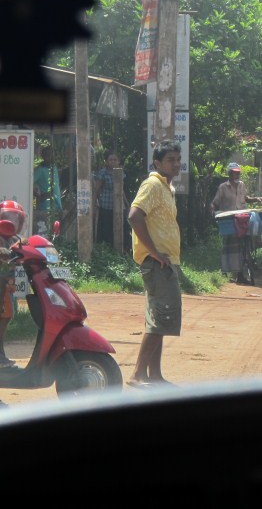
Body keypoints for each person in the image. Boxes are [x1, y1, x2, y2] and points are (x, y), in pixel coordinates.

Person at [127, 140, 183, 388]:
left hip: (165, 262)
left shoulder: (167, 188)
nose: (176, 164)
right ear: (157, 163)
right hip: (156, 263)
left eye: (178, 159)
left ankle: (155, 375)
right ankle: (138, 375)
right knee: (161, 317)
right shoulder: (152, 185)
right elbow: (134, 216)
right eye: (170, 160)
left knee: (160, 319)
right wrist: (155, 253)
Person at [211, 162, 262, 284]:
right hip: (230, 220)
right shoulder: (223, 187)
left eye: (238, 173)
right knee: (232, 248)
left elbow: (246, 198)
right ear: (229, 174)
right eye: (235, 173)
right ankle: (236, 273)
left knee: (250, 237)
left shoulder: (242, 185)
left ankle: (250, 263)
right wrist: (213, 211)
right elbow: (215, 202)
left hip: (243, 218)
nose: (237, 175)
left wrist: (256, 199)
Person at [0, 200, 26, 369]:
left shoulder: (15, 239)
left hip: (6, 285)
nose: (11, 221)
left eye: (16, 218)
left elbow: (26, 247)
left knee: (6, 317)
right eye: (7, 217)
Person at [93, 150, 129, 247]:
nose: (113, 162)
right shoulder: (103, 173)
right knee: (106, 229)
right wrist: (95, 202)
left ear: (118, 161)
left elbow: (122, 189)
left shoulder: (120, 172)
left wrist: (126, 204)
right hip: (106, 205)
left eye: (115, 160)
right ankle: (105, 249)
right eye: (110, 160)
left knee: (121, 228)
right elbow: (97, 189)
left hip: (118, 206)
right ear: (107, 161)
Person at [32, 146, 62, 236]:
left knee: (55, 234)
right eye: (48, 155)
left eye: (52, 155)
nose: (51, 157)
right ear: (43, 156)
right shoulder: (40, 170)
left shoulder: (54, 168)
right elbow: (28, 183)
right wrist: (38, 194)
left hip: (56, 206)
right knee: (44, 234)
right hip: (44, 207)